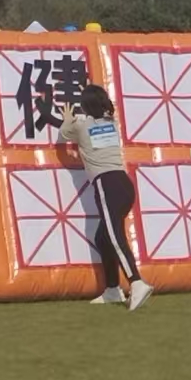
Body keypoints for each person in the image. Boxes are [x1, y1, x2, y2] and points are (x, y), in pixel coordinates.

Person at [61, 86, 155, 311]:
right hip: (124, 185)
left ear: (85, 106)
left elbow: (65, 134)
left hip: (107, 185)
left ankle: (136, 282)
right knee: (103, 237)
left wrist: (67, 118)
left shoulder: (82, 126)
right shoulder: (112, 123)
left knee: (114, 236)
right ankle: (112, 289)